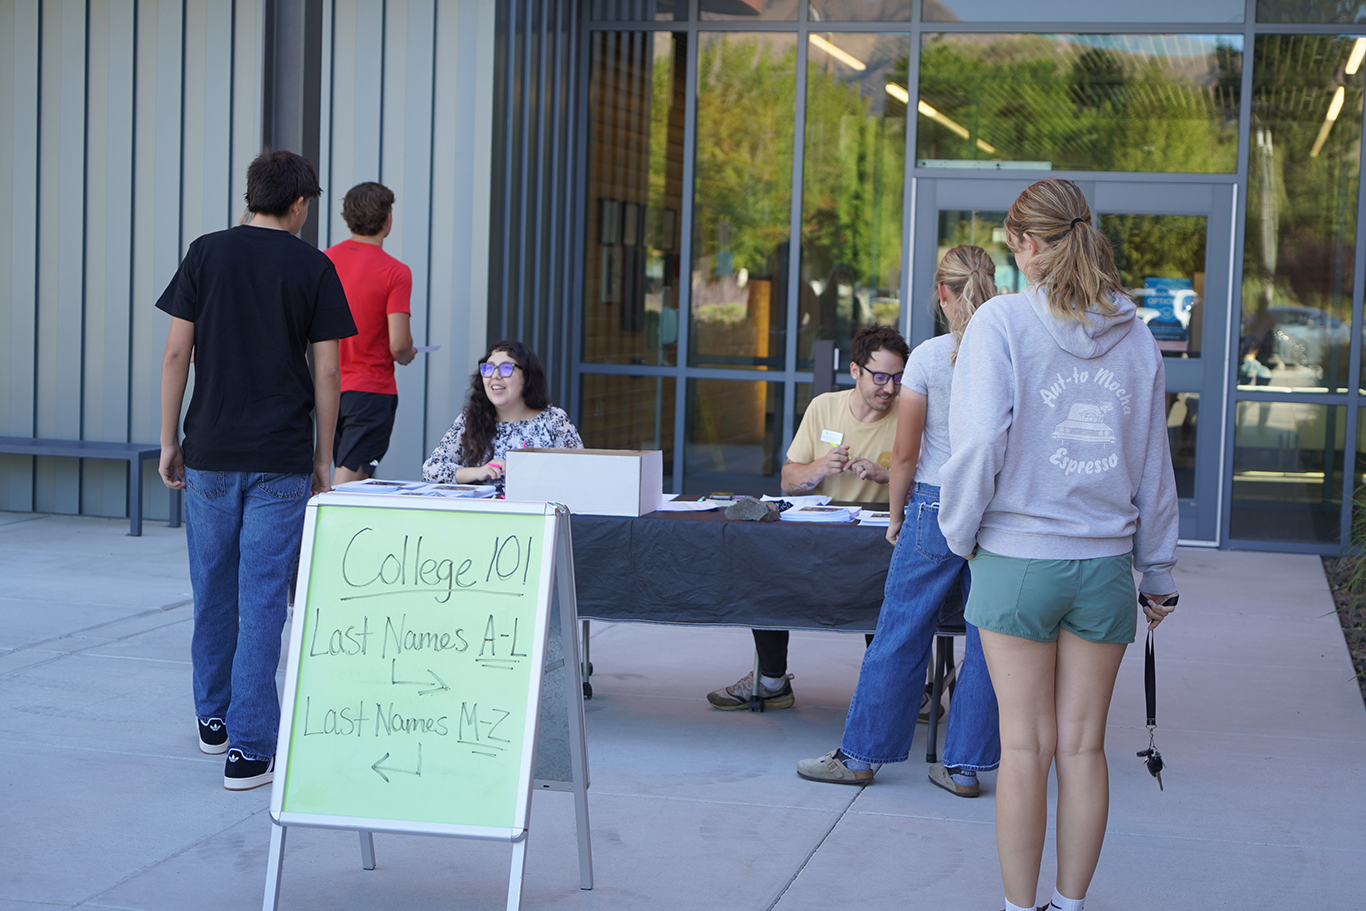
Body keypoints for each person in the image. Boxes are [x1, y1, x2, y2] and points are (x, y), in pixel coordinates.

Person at [938, 178, 1179, 911]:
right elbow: (1153, 463)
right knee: (1082, 748)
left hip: (1014, 561)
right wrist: (1159, 568)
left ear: (1025, 243)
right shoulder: (1136, 337)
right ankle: (1070, 905)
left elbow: (980, 441)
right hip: (1103, 566)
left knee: (1023, 749)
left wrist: (959, 530)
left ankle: (1020, 909)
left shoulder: (1000, 323)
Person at [157, 149, 357, 791]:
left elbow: (174, 354)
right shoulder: (314, 265)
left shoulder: (206, 252)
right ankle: (250, 750)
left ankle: (212, 720)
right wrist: (324, 455)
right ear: (299, 204)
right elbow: (327, 371)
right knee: (264, 596)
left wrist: (168, 440)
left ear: (252, 195)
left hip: (210, 449)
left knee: (212, 586)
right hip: (281, 457)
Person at [796, 247, 1000, 796]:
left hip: (935, 504)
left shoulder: (932, 356)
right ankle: (964, 767)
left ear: (942, 294)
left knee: (899, 632)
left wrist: (896, 516)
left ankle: (861, 757)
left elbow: (905, 455)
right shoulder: (1013, 348)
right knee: (989, 643)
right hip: (999, 510)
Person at [707, 324, 908, 711]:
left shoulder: (908, 413)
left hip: (880, 537)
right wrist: (818, 468)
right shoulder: (824, 407)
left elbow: (929, 485)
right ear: (855, 371)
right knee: (767, 570)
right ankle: (771, 680)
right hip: (822, 531)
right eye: (880, 377)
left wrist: (887, 476)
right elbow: (788, 480)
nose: (890, 388)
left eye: (897, 378)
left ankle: (894, 690)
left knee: (881, 590)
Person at [326, 182, 416, 486]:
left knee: (340, 470)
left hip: (327, 386)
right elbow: (399, 345)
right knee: (350, 478)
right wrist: (409, 355)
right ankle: (320, 534)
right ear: (387, 219)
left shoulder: (324, 260)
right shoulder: (395, 272)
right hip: (370, 390)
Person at [422, 339, 582, 487]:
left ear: (527, 376)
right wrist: (478, 472)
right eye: (488, 368)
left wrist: (527, 471)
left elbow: (579, 473)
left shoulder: (553, 419)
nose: (495, 376)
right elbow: (431, 470)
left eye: (506, 369)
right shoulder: (470, 417)